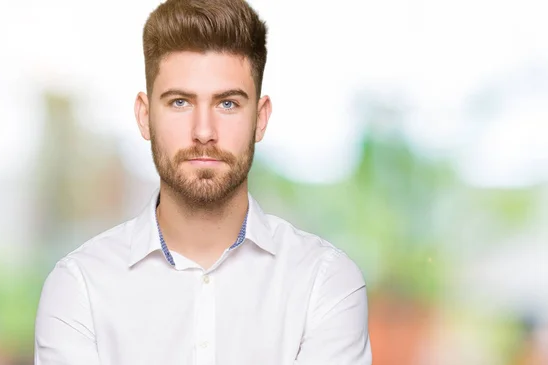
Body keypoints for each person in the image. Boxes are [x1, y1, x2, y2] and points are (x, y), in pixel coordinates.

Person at [34, 0, 372, 364]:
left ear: (260, 118)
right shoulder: (79, 288)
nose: (204, 132)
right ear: (145, 117)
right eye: (180, 102)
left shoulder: (325, 283)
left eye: (227, 104)